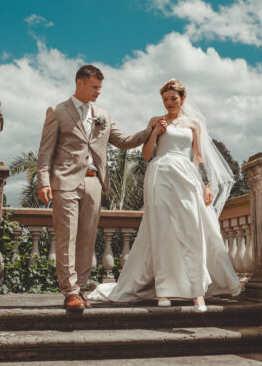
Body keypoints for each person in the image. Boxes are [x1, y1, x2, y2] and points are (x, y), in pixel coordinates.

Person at [90, 78, 240, 310]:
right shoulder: (155, 121)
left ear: (182, 99)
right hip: (160, 175)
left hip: (186, 177)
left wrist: (207, 185)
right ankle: (164, 291)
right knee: (162, 231)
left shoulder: (193, 125)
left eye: (173, 98)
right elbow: (147, 155)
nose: (169, 102)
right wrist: (154, 133)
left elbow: (198, 156)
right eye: (165, 99)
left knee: (192, 231)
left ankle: (196, 292)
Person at [36, 64, 150, 313]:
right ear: (81, 84)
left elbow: (122, 142)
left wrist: (150, 130)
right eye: (95, 87)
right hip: (64, 181)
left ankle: (82, 288)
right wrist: (43, 181)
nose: (99, 92)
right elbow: (45, 150)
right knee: (66, 237)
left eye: (100, 87)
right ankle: (70, 292)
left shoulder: (103, 115)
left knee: (87, 239)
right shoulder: (57, 111)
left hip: (94, 182)